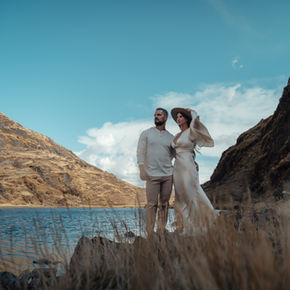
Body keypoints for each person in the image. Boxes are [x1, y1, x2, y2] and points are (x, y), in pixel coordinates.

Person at [171, 107, 216, 234]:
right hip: (177, 167)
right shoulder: (176, 135)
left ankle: (200, 224)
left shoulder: (191, 131)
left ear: (186, 118)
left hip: (188, 165)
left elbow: (196, 120)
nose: (178, 119)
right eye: (177, 117)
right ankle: (187, 226)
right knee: (180, 195)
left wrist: (192, 112)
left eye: (181, 116)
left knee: (191, 192)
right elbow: (175, 152)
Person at [137, 108, 174, 234]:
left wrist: (192, 160)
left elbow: (176, 154)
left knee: (164, 204)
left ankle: (161, 230)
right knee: (151, 204)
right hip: (152, 175)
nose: (156, 117)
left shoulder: (171, 137)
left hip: (168, 175)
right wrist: (142, 167)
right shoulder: (146, 133)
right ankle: (150, 232)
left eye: (159, 115)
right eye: (155, 115)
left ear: (165, 118)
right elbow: (140, 151)